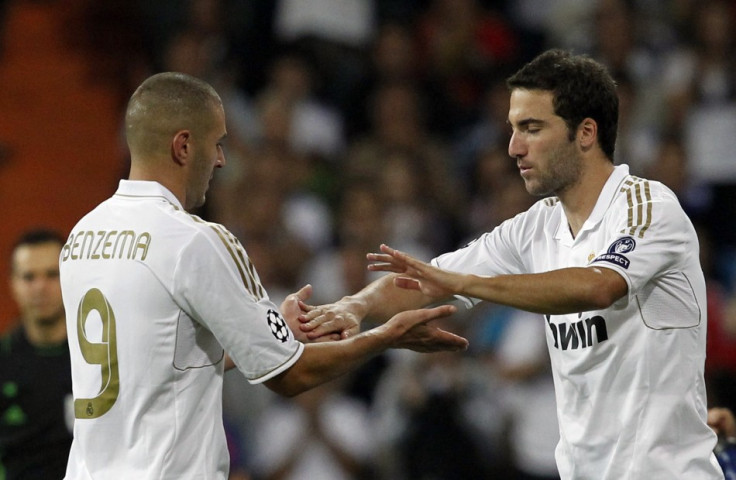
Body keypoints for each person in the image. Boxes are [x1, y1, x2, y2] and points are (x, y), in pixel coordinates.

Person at [300, 49, 724, 479]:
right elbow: (424, 281)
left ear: (586, 133)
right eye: (513, 129)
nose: (513, 147)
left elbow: (599, 286)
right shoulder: (534, 227)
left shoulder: (648, 206)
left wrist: (468, 282)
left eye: (531, 128)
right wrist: (355, 306)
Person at [58, 71, 467, 479]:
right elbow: (291, 376)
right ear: (183, 146)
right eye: (216, 144)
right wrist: (389, 335)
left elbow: (159, 368)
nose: (220, 159)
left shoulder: (80, 238)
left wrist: (272, 335)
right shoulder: (195, 240)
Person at [0, 229, 72, 479]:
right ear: (13, 284)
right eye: (29, 277)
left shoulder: (98, 359)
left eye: (52, 275)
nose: (40, 287)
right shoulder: (4, 361)